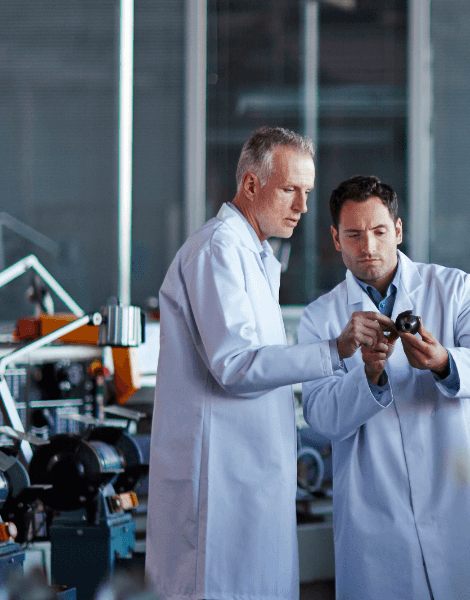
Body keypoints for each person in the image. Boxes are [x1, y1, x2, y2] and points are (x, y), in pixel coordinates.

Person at [147, 127, 367, 600]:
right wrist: (333, 351)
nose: (302, 208)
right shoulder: (218, 249)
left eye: (307, 193)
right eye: (290, 189)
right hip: (219, 483)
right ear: (250, 185)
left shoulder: (255, 255)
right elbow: (237, 365)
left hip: (250, 478)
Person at [297, 175, 470, 600]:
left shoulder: (455, 289)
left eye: (379, 231)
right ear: (335, 238)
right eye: (353, 234)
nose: (367, 246)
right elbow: (321, 416)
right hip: (378, 518)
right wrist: (366, 375)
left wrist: (445, 362)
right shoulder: (321, 319)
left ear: (398, 230)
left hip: (462, 503)